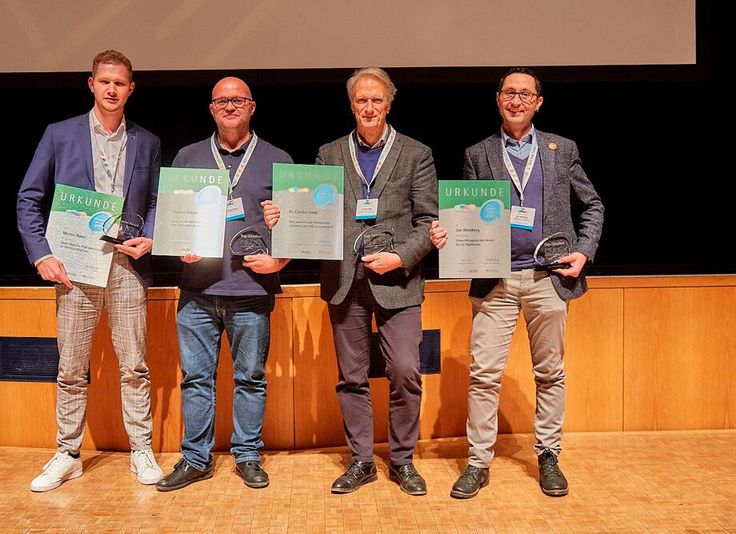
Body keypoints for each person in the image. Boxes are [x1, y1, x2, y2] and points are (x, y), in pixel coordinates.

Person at [431, 67, 604, 498]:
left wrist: (584, 251)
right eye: (509, 93)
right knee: (485, 374)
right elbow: (466, 214)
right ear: (497, 99)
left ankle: (548, 455)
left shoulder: (562, 149)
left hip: (550, 277)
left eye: (525, 94)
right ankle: (478, 463)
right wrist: (447, 233)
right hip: (497, 280)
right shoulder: (478, 152)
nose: (517, 100)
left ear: (538, 102)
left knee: (550, 373)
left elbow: (593, 204)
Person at [263, 67, 437, 496]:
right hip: (344, 280)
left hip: (398, 281)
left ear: (390, 103)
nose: (369, 107)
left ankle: (402, 460)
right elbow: (313, 213)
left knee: (405, 371)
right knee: (352, 377)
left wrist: (400, 256)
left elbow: (428, 220)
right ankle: (361, 461)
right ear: (351, 104)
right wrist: (283, 219)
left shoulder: (417, 153)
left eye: (377, 100)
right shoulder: (329, 153)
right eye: (362, 100)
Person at [17, 50, 163, 491]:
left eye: (120, 83)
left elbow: (156, 201)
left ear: (131, 88)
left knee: (134, 365)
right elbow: (28, 198)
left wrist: (151, 235)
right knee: (71, 367)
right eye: (105, 82)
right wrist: (42, 255)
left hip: (126, 264)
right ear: (92, 84)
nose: (112, 89)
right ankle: (68, 453)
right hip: (75, 264)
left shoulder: (147, 141)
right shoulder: (60, 134)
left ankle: (141, 449)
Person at [156, 77, 292, 492]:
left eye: (238, 100)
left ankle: (247, 456)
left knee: (251, 378)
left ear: (252, 107)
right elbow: (169, 215)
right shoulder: (188, 157)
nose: (230, 106)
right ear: (211, 109)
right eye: (222, 101)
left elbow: (298, 226)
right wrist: (179, 246)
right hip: (197, 291)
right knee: (196, 379)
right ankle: (195, 459)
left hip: (251, 291)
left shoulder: (278, 158)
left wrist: (280, 258)